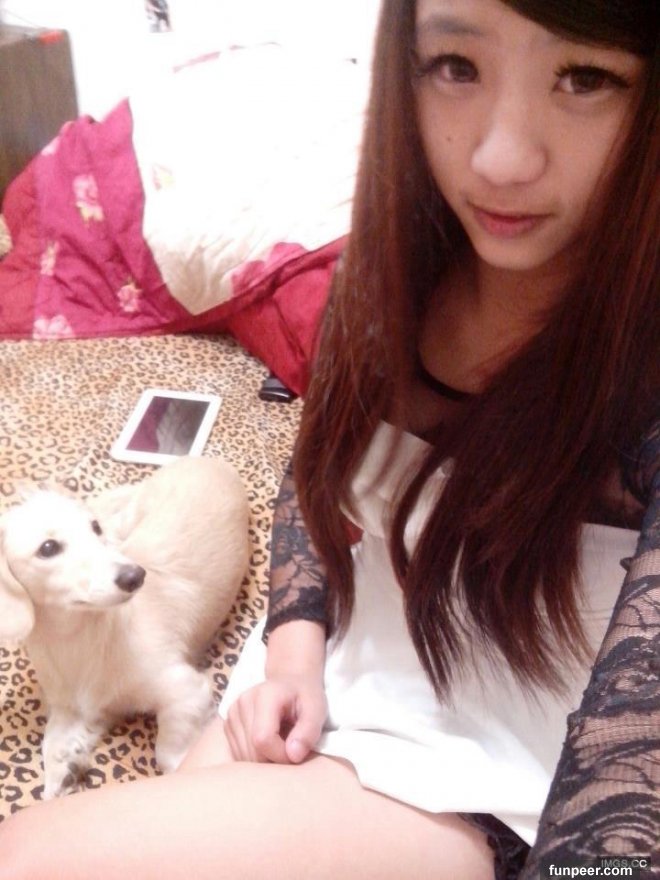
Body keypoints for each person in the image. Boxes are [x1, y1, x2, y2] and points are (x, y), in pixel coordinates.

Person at [0, 0, 657, 877]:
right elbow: (318, 477)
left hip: (498, 768)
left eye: (585, 77)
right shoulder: (387, 275)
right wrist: (293, 655)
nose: (501, 157)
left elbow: (627, 779)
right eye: (456, 67)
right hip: (337, 674)